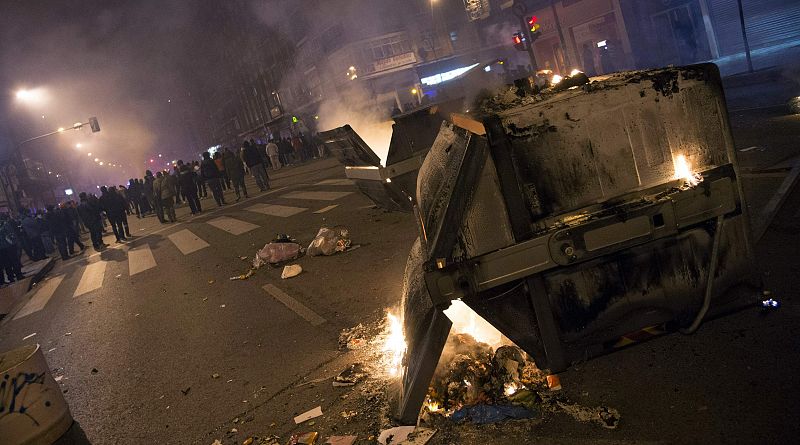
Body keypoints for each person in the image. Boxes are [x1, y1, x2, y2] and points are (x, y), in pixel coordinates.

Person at [0, 213, 25, 284]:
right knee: (15, 261)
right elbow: (11, 234)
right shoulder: (5, 224)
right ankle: (18, 275)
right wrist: (16, 242)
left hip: (1, 249)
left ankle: (10, 278)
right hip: (9, 246)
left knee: (7, 263)